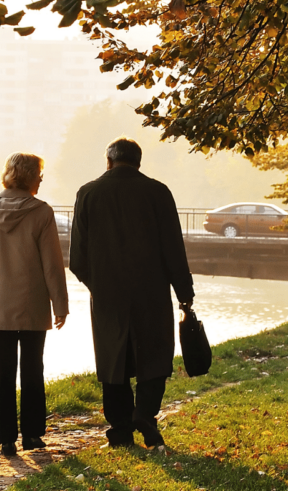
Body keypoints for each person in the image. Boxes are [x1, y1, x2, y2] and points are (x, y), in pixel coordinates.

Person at [69, 137, 195, 449]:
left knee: (113, 360)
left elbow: (77, 259)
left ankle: (120, 430)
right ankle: (145, 414)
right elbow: (173, 248)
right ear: (138, 162)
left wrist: (97, 285)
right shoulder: (158, 192)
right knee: (155, 355)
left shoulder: (88, 193)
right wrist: (184, 290)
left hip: (108, 294)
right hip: (151, 291)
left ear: (108, 161)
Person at [0, 153, 69, 457]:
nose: (42, 179)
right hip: (33, 303)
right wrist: (60, 303)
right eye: (40, 174)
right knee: (33, 369)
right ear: (31, 176)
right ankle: (32, 435)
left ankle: (6, 438)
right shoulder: (41, 213)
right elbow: (52, 265)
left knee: (3, 372)